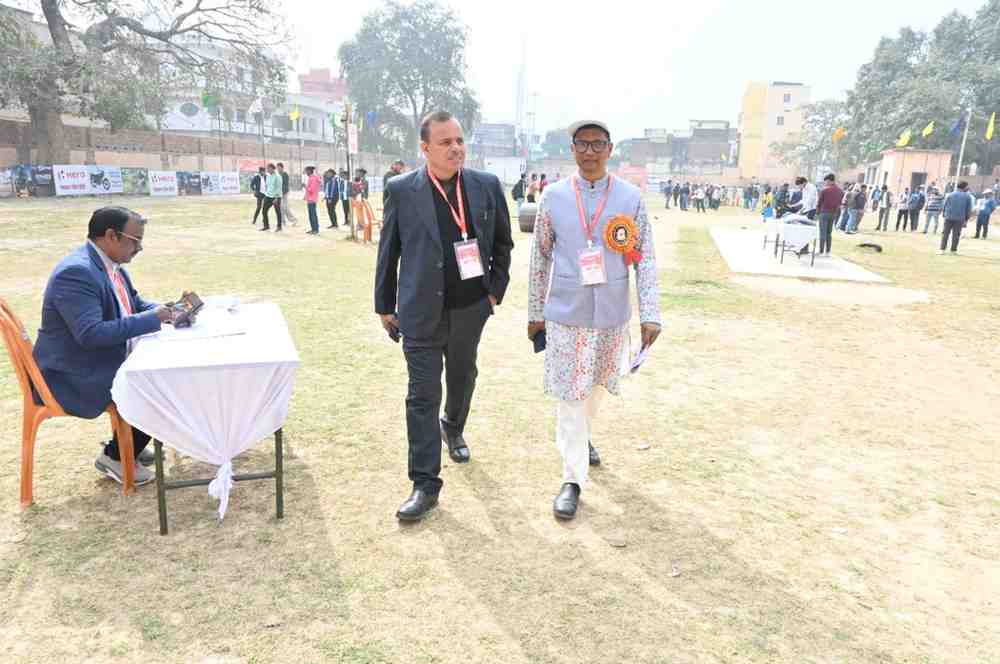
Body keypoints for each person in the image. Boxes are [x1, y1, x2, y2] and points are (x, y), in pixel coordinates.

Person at [374, 110, 514, 522]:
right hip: (419, 310)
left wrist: (493, 293)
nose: (455, 148)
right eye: (445, 142)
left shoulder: (486, 186)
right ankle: (424, 483)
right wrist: (384, 305)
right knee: (422, 394)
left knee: (462, 375)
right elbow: (389, 251)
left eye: (459, 140)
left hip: (471, 308)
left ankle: (452, 426)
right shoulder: (401, 190)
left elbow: (503, 244)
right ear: (425, 148)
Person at [526, 119, 661, 520]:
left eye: (597, 144)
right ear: (572, 149)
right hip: (566, 313)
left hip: (611, 314)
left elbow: (644, 258)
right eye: (582, 144)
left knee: (596, 387)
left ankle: (581, 438)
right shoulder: (552, 197)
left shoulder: (630, 198)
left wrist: (650, 313)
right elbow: (540, 257)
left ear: (609, 149)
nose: (589, 151)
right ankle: (572, 480)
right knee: (571, 394)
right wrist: (535, 313)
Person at [33, 206, 175, 486]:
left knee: (165, 370)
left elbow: (133, 303)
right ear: (111, 236)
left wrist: (164, 310)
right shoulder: (76, 272)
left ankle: (129, 442)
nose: (140, 248)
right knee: (161, 383)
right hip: (73, 373)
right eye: (135, 240)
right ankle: (116, 456)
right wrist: (153, 319)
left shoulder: (108, 264)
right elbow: (91, 334)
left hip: (96, 359)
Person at [940, 181, 975, 254]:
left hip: (948, 217)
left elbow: (945, 205)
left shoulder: (950, 194)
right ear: (964, 187)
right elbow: (968, 209)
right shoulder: (967, 196)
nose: (968, 188)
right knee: (956, 235)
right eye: (967, 186)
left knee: (945, 233)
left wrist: (944, 215)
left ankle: (942, 249)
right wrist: (966, 219)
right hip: (960, 218)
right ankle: (953, 250)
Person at [816, 173, 843, 256]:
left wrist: (817, 213)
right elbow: (840, 202)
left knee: (822, 232)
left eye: (825, 181)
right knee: (829, 233)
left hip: (824, 212)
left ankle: (821, 251)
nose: (825, 183)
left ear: (828, 180)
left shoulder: (825, 190)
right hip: (834, 213)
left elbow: (819, 202)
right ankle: (828, 251)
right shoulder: (840, 191)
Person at [260, 163, 283, 231]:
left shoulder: (278, 176)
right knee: (264, 211)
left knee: (277, 212)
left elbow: (279, 187)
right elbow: (268, 186)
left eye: (268, 168)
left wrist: (276, 198)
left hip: (276, 197)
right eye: (267, 168)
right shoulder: (268, 176)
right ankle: (266, 226)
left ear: (272, 168)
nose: (267, 170)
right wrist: (265, 196)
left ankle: (279, 227)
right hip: (268, 196)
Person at [303, 166, 322, 235]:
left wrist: (305, 186)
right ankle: (313, 229)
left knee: (313, 215)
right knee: (311, 215)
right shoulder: (311, 178)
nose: (306, 172)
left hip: (312, 200)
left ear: (310, 171)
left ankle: (315, 229)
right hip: (310, 199)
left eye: (306, 171)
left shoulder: (313, 179)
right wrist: (305, 196)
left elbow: (312, 190)